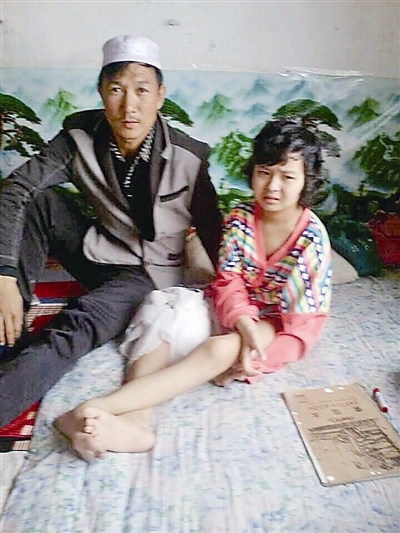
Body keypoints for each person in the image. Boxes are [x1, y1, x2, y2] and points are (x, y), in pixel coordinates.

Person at [55, 118, 333, 461]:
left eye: (287, 177)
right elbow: (228, 281)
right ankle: (136, 421)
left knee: (220, 349)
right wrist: (242, 320)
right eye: (264, 172)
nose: (273, 186)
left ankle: (92, 408)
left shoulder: (311, 239)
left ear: (306, 181)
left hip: (276, 323)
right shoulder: (241, 218)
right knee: (166, 308)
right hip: (233, 310)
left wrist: (253, 356)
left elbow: (302, 328)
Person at [0, 35, 222, 427]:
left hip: (148, 274)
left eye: (142, 90)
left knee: (77, 322)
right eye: (117, 89)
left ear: (160, 96)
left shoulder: (189, 157)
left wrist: (235, 306)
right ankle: (9, 325)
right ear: (102, 92)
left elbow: (214, 232)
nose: (129, 105)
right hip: (99, 250)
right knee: (38, 200)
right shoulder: (78, 137)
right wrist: (4, 276)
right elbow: (17, 189)